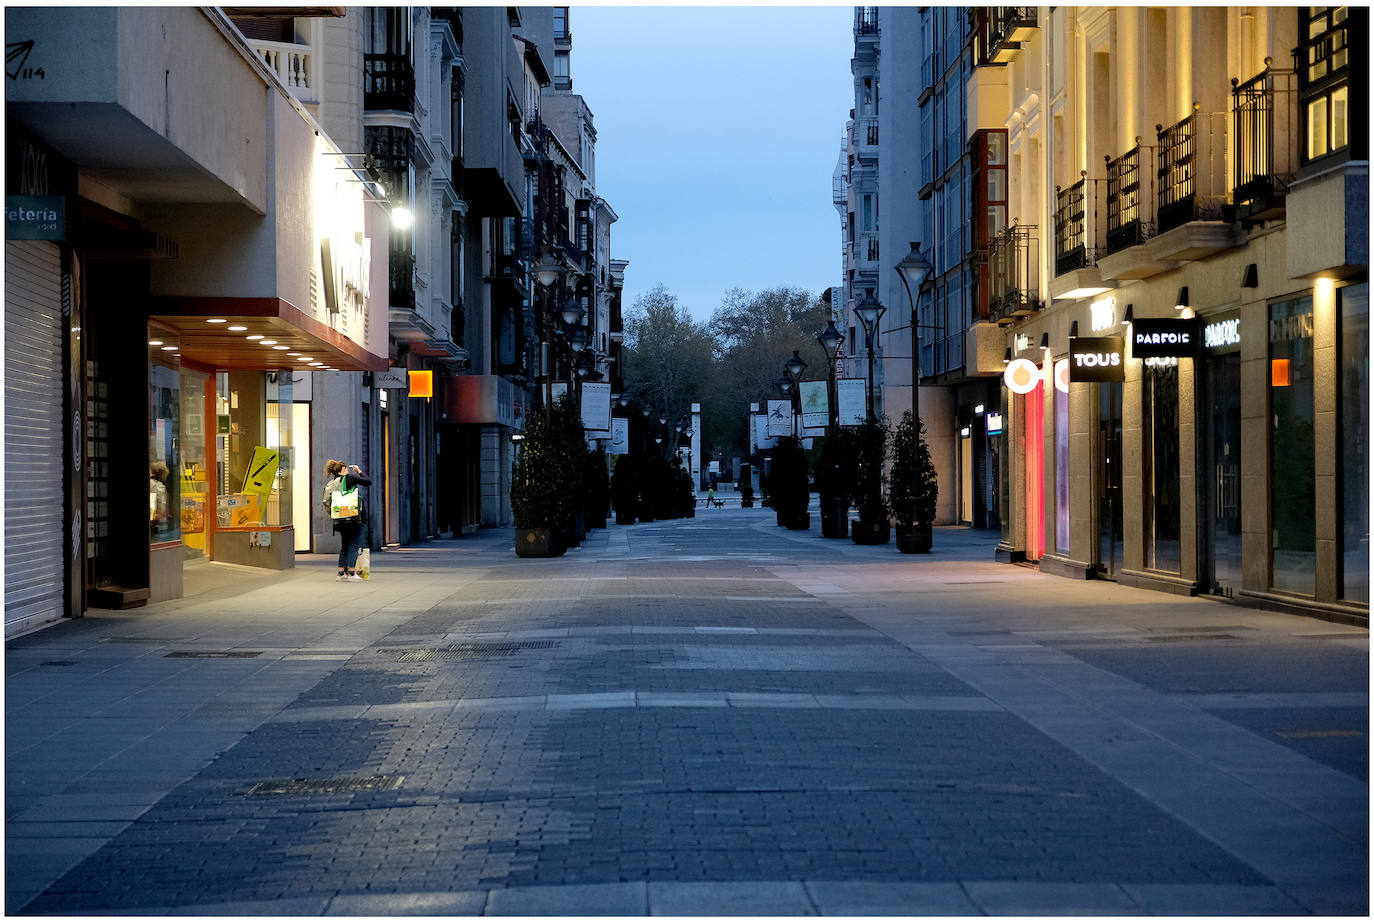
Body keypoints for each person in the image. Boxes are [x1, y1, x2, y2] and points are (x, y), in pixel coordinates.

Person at [322, 459, 371, 581]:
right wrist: (359, 471)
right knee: (354, 544)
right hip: (354, 519)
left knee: (345, 545)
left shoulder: (333, 482)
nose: (348, 471)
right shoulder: (349, 478)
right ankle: (352, 573)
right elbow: (368, 482)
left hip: (340, 520)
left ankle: (341, 573)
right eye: (347, 469)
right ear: (343, 469)